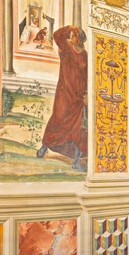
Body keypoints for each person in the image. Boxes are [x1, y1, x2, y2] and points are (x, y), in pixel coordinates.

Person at [37, 26, 88, 171]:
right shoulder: (66, 47)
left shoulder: (84, 55)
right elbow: (57, 35)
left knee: (80, 129)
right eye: (72, 34)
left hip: (79, 98)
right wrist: (69, 27)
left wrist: (87, 94)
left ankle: (76, 162)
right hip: (64, 95)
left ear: (79, 38)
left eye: (75, 34)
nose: (72, 36)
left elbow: (87, 76)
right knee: (57, 121)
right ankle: (44, 147)